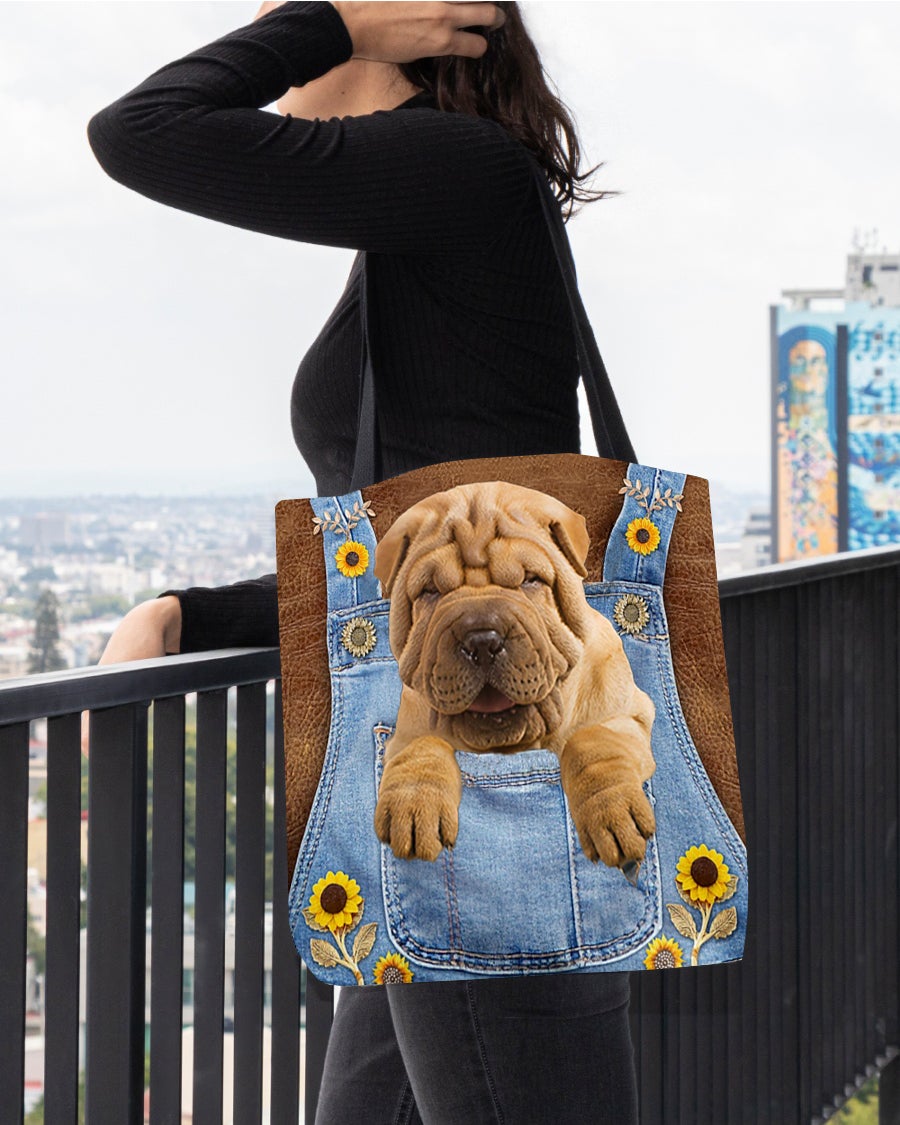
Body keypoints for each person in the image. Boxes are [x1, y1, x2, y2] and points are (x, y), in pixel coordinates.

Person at [88, 4, 639, 1121]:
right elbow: (420, 558)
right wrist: (193, 615)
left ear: (400, 24)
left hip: (485, 790)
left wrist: (336, 24)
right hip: (439, 783)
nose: (267, 29)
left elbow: (140, 129)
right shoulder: (441, 203)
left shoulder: (457, 170)